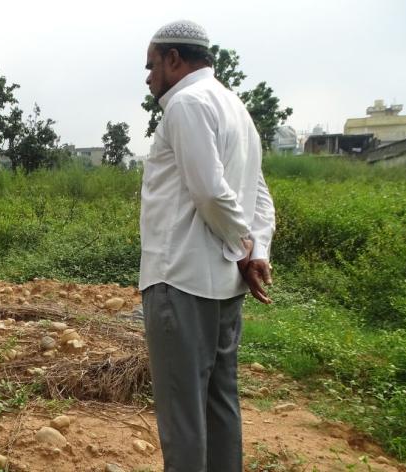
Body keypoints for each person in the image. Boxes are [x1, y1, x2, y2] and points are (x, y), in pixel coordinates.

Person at [140, 20, 276, 472]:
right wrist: (257, 252)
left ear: (174, 60)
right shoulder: (237, 108)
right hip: (223, 286)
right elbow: (259, 195)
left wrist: (242, 248)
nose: (149, 76)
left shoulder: (185, 104)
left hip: (179, 281)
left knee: (183, 419)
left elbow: (210, 192)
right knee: (221, 408)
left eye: (152, 65)